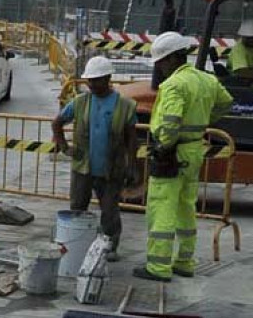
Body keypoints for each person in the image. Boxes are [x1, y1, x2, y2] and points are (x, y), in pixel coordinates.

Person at [134, 32, 233, 282]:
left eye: (160, 61)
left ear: (172, 59)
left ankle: (158, 267)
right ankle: (185, 262)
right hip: (194, 150)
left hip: (173, 153)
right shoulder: (206, 80)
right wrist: (203, 121)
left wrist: (163, 148)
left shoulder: (173, 86)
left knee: (161, 210)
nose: (158, 67)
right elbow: (226, 102)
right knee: (186, 208)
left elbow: (170, 123)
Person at [52, 56, 139, 262]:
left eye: (96, 80)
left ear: (108, 78)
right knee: (77, 208)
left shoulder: (125, 105)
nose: (91, 84)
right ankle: (76, 243)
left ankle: (110, 246)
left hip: (111, 169)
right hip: (83, 167)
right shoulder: (80, 102)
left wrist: (132, 166)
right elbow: (57, 123)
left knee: (109, 210)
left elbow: (132, 139)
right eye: (89, 80)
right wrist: (64, 146)